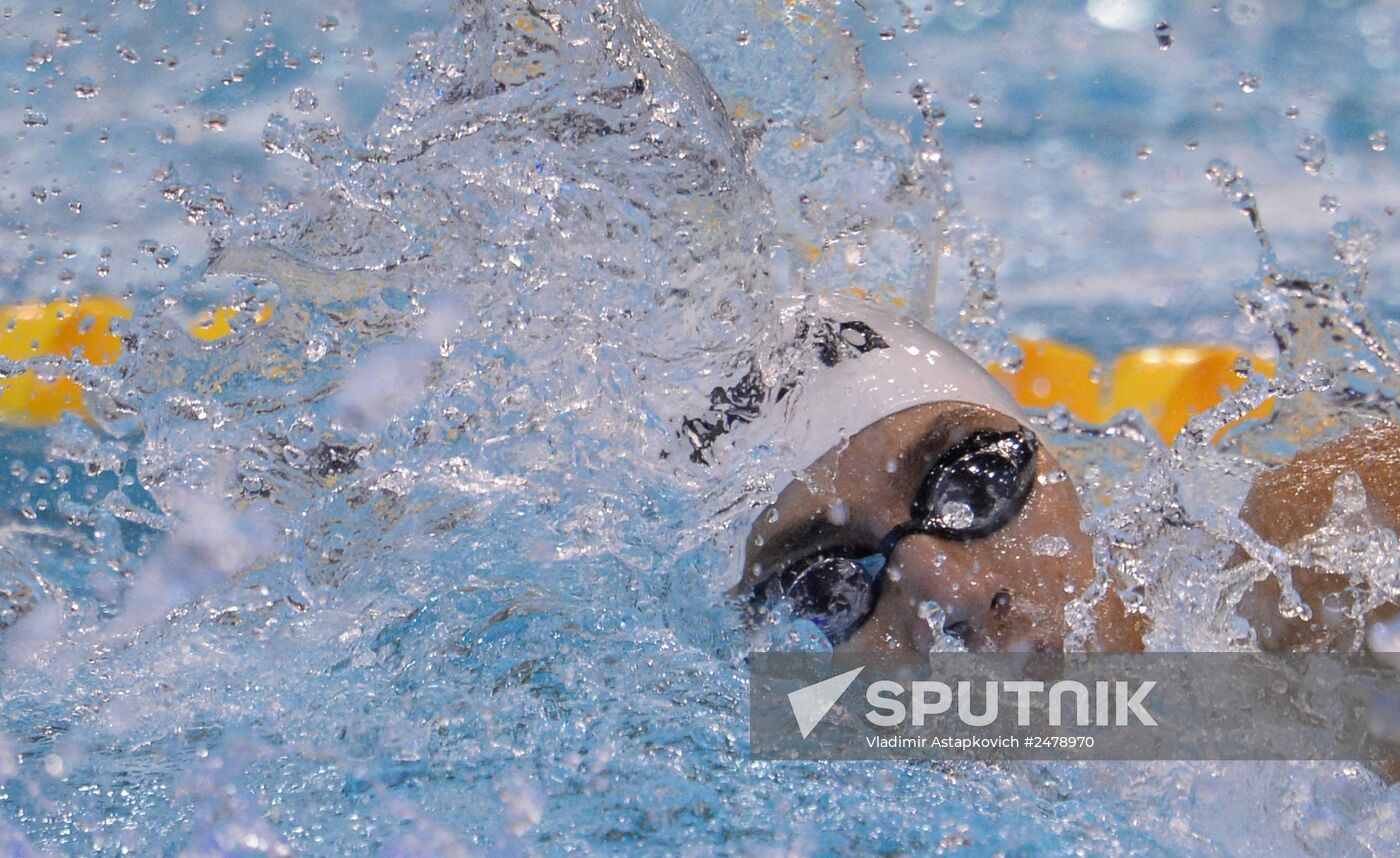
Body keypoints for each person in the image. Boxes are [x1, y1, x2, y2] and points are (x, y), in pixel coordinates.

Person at [682, 294, 1400, 654]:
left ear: (1054, 462)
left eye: (974, 481)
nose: (948, 589)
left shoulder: (1314, 569)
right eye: (826, 583)